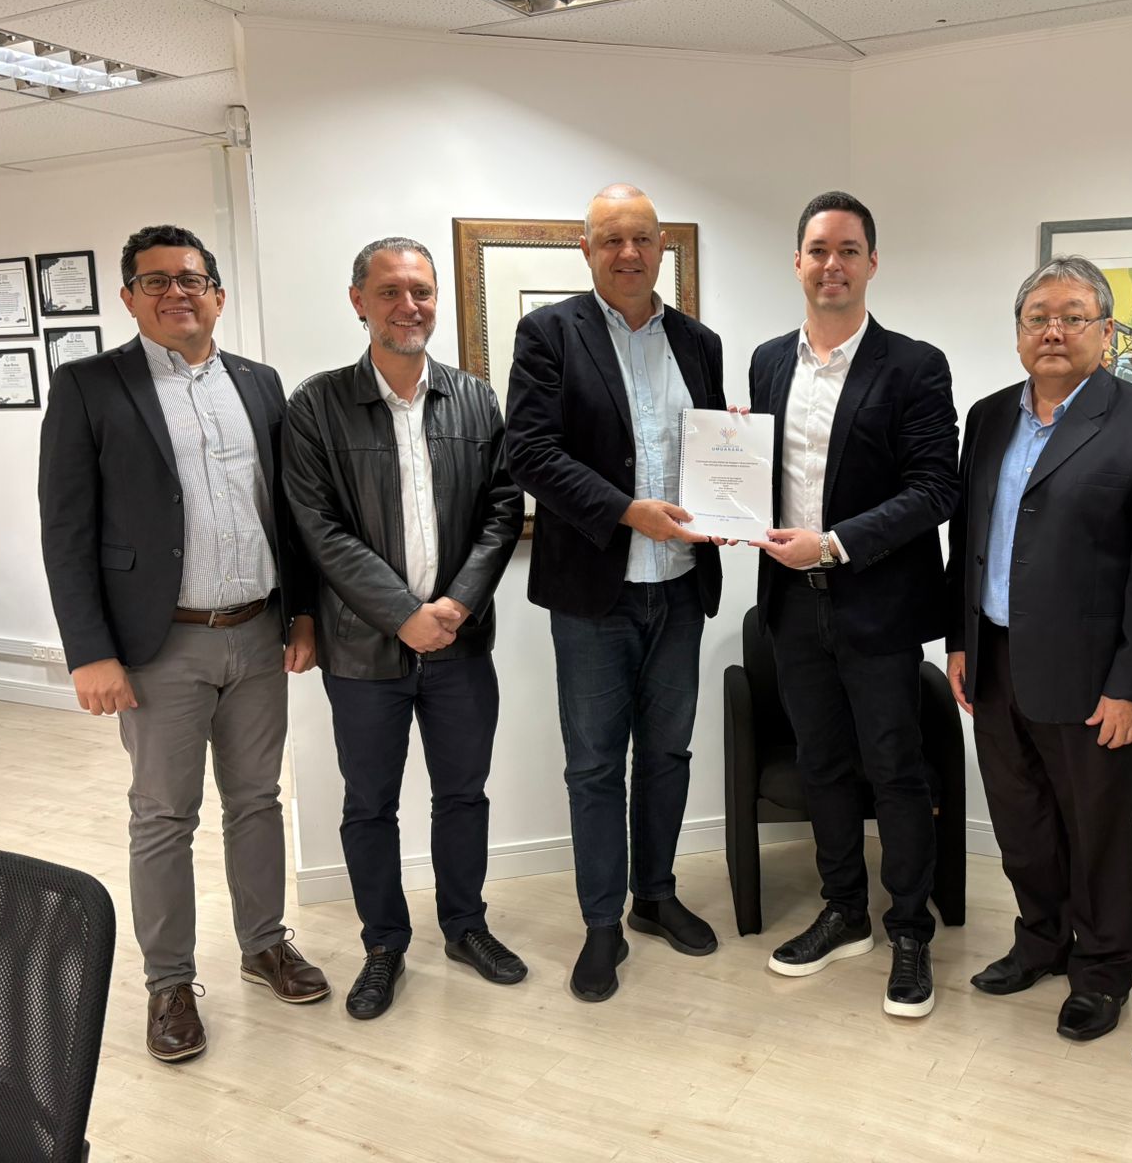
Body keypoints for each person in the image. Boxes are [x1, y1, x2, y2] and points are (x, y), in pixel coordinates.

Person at [38, 224, 328, 1064]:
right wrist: (89, 651)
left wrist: (302, 612)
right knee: (165, 816)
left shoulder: (260, 384)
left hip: (258, 631)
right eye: (156, 281)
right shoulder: (90, 386)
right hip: (158, 644)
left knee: (258, 800)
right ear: (129, 297)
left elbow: (288, 512)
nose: (176, 293)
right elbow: (66, 528)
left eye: (191, 279)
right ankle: (169, 983)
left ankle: (264, 944)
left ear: (217, 296)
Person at [945, 256, 1132, 1041]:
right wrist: (959, 642)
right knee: (1020, 818)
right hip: (993, 658)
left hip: (1092, 674)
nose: (1053, 330)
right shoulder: (987, 417)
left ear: (1105, 332)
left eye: (1072, 317)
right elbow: (968, 541)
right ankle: (1041, 939)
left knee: (1097, 829)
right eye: (1037, 317)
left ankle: (1105, 967)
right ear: (1018, 332)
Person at [282, 237, 524, 1019]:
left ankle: (465, 927)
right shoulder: (316, 406)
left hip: (460, 644)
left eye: (421, 291)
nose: (408, 306)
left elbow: (502, 509)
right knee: (369, 805)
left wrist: (457, 604)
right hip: (361, 651)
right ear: (359, 301)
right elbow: (318, 528)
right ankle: (384, 945)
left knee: (463, 796)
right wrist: (403, 614)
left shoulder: (475, 399)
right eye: (389, 291)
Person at [505, 184, 725, 1002]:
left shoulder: (699, 342)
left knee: (668, 754)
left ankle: (655, 896)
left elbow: (714, 447)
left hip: (680, 590)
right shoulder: (548, 334)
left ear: (662, 246)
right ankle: (603, 924)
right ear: (586, 249)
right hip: (594, 595)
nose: (627, 253)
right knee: (596, 766)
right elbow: (529, 452)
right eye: (610, 239)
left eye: (641, 238)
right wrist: (628, 511)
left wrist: (729, 486)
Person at [746, 190, 959, 1017]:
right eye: (817, 249)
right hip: (791, 606)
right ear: (796, 262)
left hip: (878, 603)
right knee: (821, 764)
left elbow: (934, 488)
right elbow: (759, 468)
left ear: (872, 262)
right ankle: (844, 911)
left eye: (847, 250)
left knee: (894, 769)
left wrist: (834, 543)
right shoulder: (769, 361)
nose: (830, 264)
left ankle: (909, 928)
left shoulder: (915, 365)